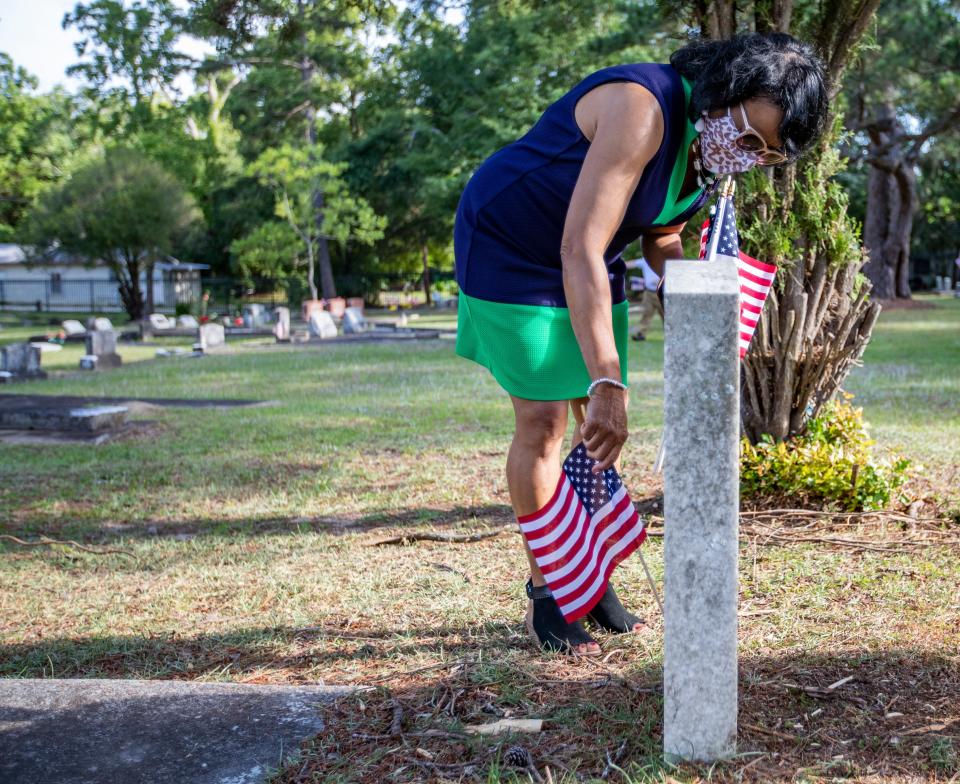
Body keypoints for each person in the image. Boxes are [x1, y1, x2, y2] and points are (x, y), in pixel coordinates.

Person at [454, 33, 828, 655]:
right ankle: (549, 592)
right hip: (514, 245)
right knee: (549, 421)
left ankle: (588, 577)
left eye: (765, 155)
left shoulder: (709, 154)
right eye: (747, 135)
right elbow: (578, 246)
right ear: (723, 91)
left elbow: (663, 233)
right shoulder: (641, 107)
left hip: (590, 258)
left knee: (597, 431)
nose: (747, 156)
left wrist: (703, 302)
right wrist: (607, 379)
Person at [625, 257, 663, 341]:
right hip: (648, 293)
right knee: (646, 314)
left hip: (661, 293)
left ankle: (671, 335)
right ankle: (641, 334)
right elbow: (630, 264)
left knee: (666, 316)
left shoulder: (664, 260)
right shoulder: (645, 261)